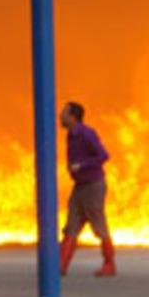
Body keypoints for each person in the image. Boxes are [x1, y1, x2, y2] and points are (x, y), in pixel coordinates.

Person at [59, 101, 116, 277]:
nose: (60, 116)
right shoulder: (71, 135)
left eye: (64, 113)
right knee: (71, 226)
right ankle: (61, 266)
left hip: (93, 186)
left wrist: (81, 166)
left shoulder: (86, 133)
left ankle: (109, 264)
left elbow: (103, 155)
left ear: (73, 117)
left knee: (98, 224)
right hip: (80, 186)